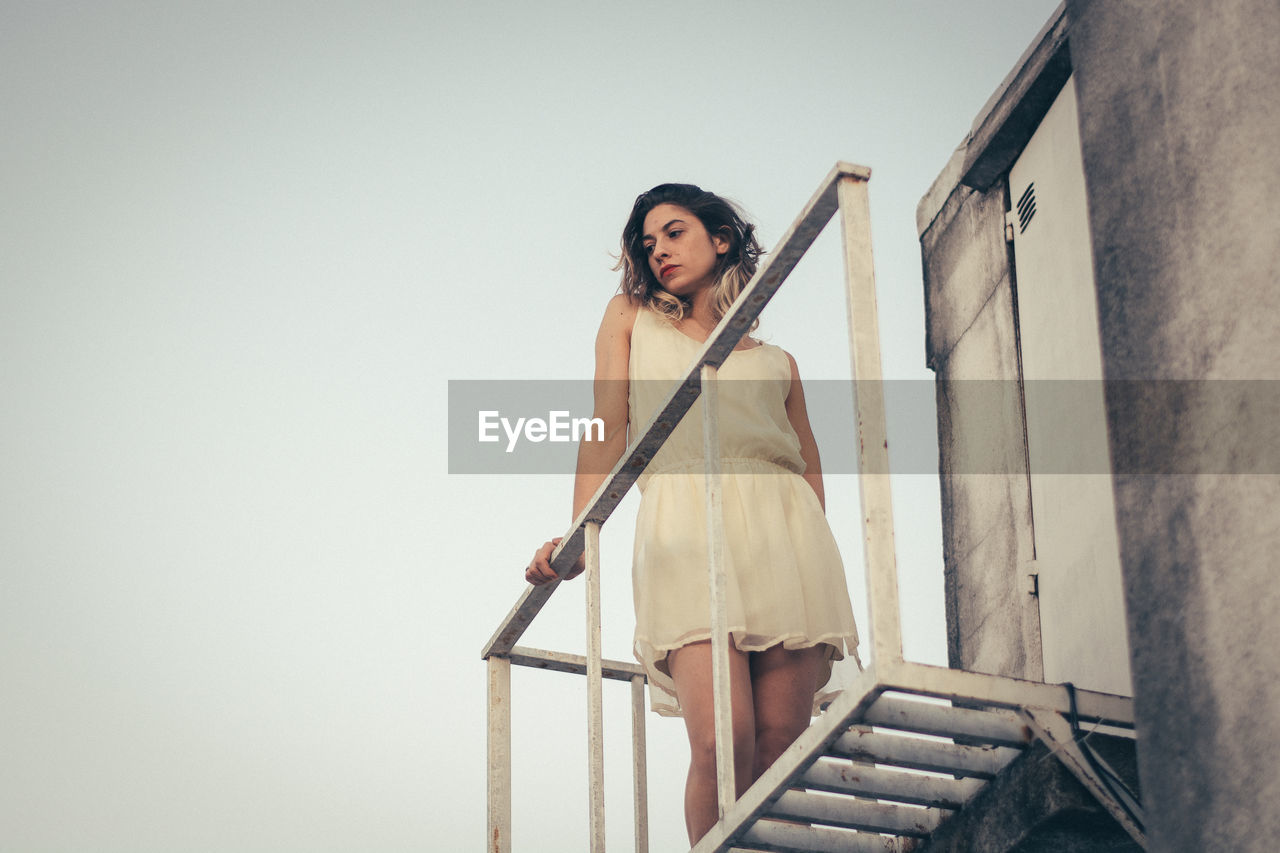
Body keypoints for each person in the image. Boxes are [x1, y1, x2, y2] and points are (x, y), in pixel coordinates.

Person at [525, 183, 859, 844]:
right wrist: (580, 529)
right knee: (722, 739)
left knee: (779, 746)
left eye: (674, 233)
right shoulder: (630, 317)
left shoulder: (778, 362)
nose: (659, 252)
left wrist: (808, 558)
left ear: (722, 239)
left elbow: (806, 468)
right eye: (648, 244)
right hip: (683, 531)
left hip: (786, 542)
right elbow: (607, 427)